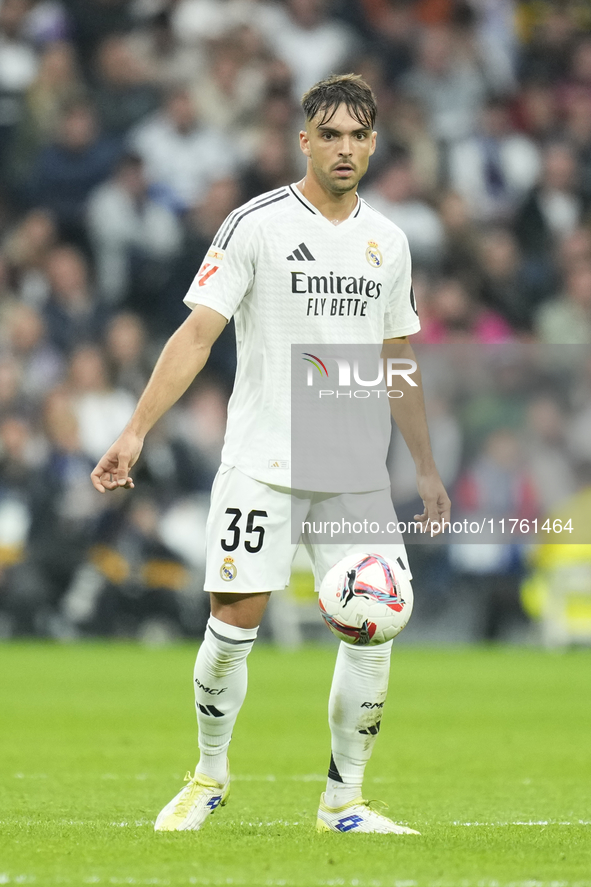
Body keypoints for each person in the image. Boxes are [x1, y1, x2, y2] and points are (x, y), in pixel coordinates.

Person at [90, 74, 450, 835]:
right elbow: (196, 334)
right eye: (330, 135)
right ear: (305, 141)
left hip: (355, 470)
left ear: (374, 142)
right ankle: (207, 775)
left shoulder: (389, 242)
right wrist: (136, 429)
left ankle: (343, 801)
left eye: (358, 135)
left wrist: (421, 466)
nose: (345, 148)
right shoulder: (254, 224)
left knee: (374, 623)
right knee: (233, 622)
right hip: (264, 459)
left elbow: (398, 358)